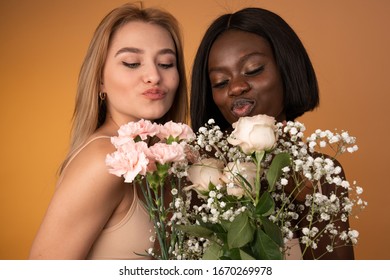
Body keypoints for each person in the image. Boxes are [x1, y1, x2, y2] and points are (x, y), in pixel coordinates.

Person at [190, 7, 354, 260]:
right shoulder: (201, 175)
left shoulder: (319, 176)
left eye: (253, 69)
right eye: (220, 82)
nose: (236, 87)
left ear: (287, 69)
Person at [29, 2, 188, 259]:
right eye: (132, 63)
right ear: (100, 80)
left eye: (167, 63)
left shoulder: (172, 161)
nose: (154, 76)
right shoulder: (102, 162)